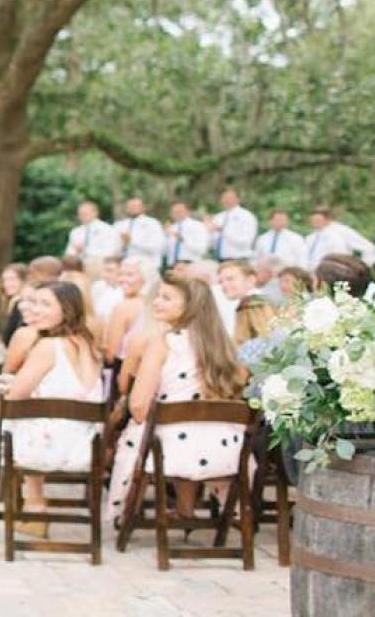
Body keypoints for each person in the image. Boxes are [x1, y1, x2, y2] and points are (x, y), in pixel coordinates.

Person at [106, 275, 247, 525]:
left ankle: (127, 512)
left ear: (190, 305)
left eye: (166, 298)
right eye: (158, 296)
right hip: (226, 452)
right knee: (191, 430)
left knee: (141, 430)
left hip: (168, 452)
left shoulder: (163, 344)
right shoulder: (226, 347)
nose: (156, 302)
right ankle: (185, 510)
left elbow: (138, 406)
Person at [2, 282, 104, 538]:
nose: (35, 310)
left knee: (13, 417)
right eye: (34, 302)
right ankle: (35, 507)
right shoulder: (87, 343)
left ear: (67, 310)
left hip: (50, 449)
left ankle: (35, 506)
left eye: (45, 304)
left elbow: (16, 395)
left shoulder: (48, 347)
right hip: (88, 445)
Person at [104, 258, 160, 398]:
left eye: (130, 274)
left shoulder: (123, 308)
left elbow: (111, 353)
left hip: (125, 374)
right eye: (121, 274)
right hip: (154, 376)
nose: (122, 279)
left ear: (146, 277)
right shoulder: (160, 306)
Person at [219, 260, 275, 347]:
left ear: (250, 280)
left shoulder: (255, 304)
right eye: (221, 282)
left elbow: (265, 340)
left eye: (230, 279)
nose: (224, 285)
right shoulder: (248, 303)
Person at [305, 207, 375, 270]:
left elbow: (369, 248)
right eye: (313, 221)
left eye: (318, 220)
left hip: (339, 271)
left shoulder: (342, 231)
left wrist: (362, 268)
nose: (315, 223)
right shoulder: (311, 237)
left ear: (328, 219)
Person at [207, 188, 257, 261]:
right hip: (219, 258)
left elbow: (246, 242)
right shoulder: (218, 217)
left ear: (238, 199)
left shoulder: (246, 216)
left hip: (238, 259)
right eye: (224, 198)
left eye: (230, 198)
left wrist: (223, 230)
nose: (226, 200)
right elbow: (212, 243)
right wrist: (208, 231)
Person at [115, 198, 166, 264]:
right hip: (125, 265)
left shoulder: (152, 223)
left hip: (147, 264)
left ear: (143, 208)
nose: (132, 208)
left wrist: (132, 242)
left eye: (135, 206)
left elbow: (157, 246)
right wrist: (122, 245)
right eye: (129, 206)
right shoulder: (120, 224)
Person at [164, 201, 209, 266]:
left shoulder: (198, 226)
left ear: (187, 212)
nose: (176, 214)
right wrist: (164, 236)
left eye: (179, 211)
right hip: (173, 264)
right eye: (174, 212)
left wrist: (183, 239)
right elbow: (165, 251)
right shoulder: (171, 228)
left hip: (191, 263)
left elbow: (202, 249)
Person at [0, 263, 30, 347]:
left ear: (24, 280)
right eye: (5, 280)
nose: (7, 284)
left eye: (12, 279)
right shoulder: (15, 301)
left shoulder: (24, 303)